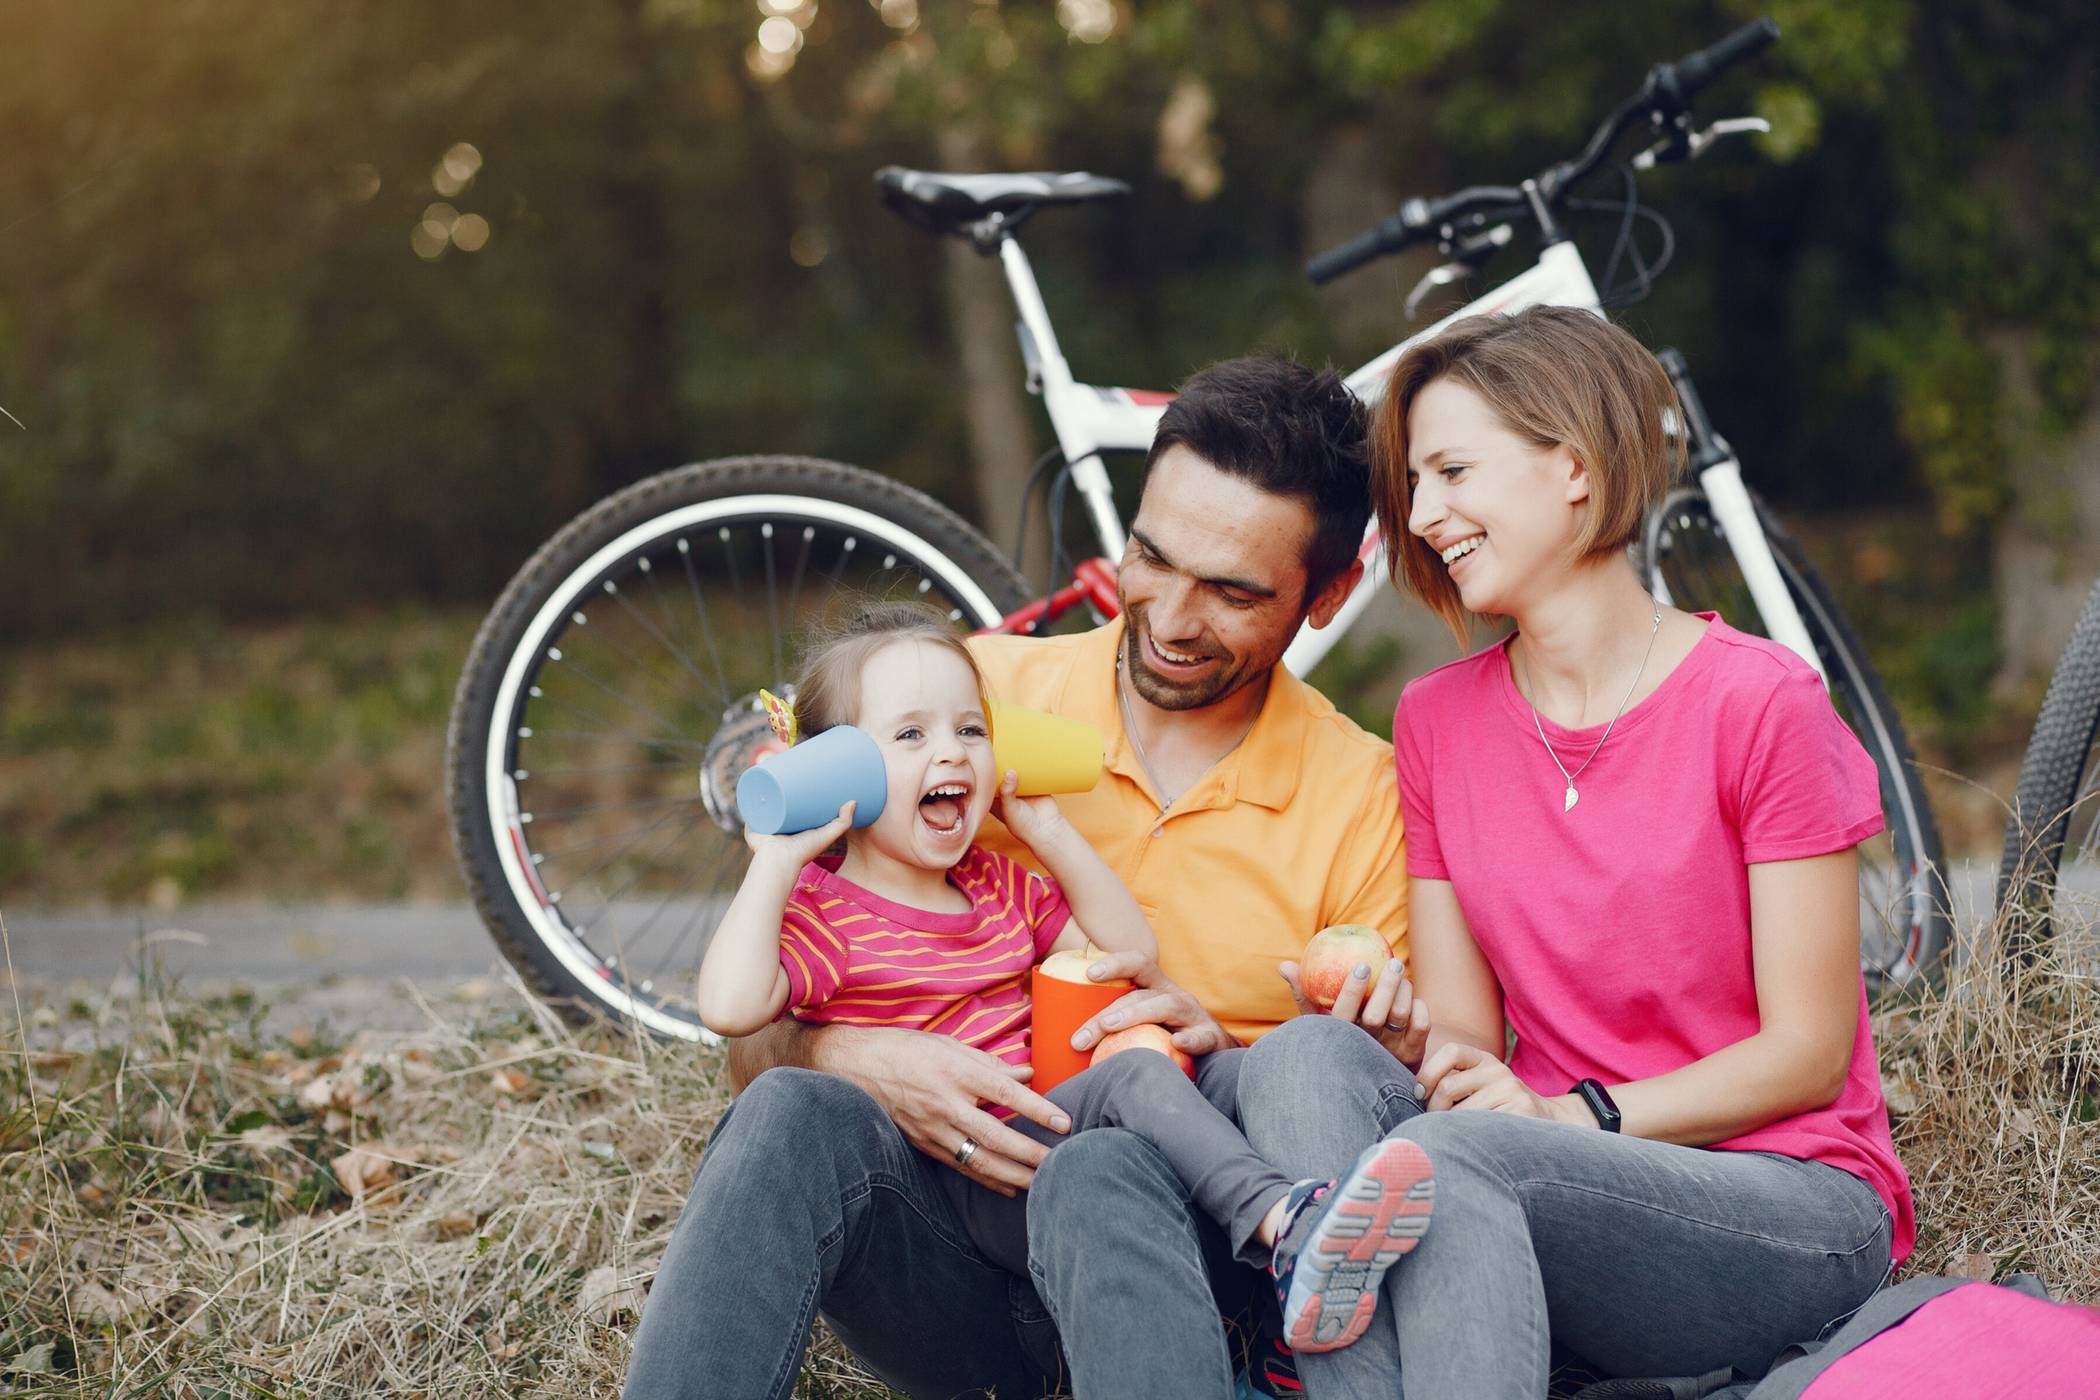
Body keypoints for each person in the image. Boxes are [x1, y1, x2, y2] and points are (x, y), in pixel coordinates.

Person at [621, 355, 1431, 1400]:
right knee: (786, 1109)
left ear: (1326, 593)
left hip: (1180, 1273)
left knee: (1108, 1162)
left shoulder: (1363, 796)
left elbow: (1364, 1098)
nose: (1173, 617)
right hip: (954, 1262)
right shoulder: (961, 703)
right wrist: (861, 1054)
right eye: (1153, 555)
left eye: (1231, 591)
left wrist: (1227, 1043)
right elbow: (758, 1019)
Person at [1293, 305, 1915, 1399]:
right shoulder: (1436, 721)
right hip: (1538, 1177)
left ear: (1573, 466)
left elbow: (1811, 1051)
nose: (1422, 515)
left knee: (1454, 1160)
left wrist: (1575, 1115)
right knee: (1302, 1060)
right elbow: (1469, 1043)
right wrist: (1405, 1030)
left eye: (1450, 471)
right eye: (1415, 486)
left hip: (1784, 1198)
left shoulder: (1758, 701)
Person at [693, 604, 1434, 1360]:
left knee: (1226, 1069)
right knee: (1129, 1076)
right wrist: (776, 861)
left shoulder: (1000, 886)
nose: (951, 753)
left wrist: (1046, 827)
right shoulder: (827, 913)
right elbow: (729, 1006)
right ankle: (1286, 1225)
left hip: (1059, 1146)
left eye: (971, 730)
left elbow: (1125, 950)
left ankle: (1319, 1237)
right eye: (911, 734)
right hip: (969, 1179)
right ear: (837, 770)